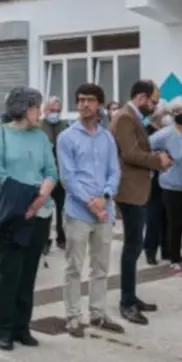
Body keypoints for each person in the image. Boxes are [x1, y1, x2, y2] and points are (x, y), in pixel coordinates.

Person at [0, 88, 58, 350]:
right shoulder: (0, 134)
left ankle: (22, 327)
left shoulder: (40, 137)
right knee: (10, 273)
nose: (40, 112)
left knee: (29, 273)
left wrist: (41, 196)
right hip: (12, 213)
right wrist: (25, 195)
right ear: (22, 108)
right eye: (35, 107)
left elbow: (51, 170)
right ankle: (3, 328)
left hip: (39, 211)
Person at [56, 83, 124, 338]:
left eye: (90, 100)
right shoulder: (67, 137)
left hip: (104, 210)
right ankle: (73, 316)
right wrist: (90, 202)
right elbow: (68, 178)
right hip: (78, 212)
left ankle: (98, 313)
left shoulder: (107, 137)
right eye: (81, 99)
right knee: (74, 267)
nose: (85, 104)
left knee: (101, 266)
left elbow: (114, 171)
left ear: (99, 105)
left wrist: (105, 197)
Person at [110, 80, 170, 325]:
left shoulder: (133, 118)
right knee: (132, 247)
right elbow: (130, 153)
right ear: (141, 97)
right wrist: (158, 160)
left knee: (135, 247)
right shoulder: (125, 118)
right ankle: (126, 302)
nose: (154, 107)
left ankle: (131, 296)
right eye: (153, 101)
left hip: (137, 189)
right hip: (129, 190)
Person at [149, 97, 182, 273]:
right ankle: (174, 258)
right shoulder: (165, 133)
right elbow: (146, 146)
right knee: (175, 224)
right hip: (171, 185)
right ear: (171, 114)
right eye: (177, 111)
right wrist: (159, 157)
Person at [143, 103, 171, 266]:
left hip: (167, 178)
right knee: (153, 216)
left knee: (167, 216)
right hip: (153, 179)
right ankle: (150, 250)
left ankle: (167, 249)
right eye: (165, 114)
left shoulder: (167, 131)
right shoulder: (147, 131)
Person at [40, 97, 68, 252]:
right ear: (45, 110)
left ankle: (62, 238)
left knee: (62, 209)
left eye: (58, 111)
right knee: (46, 210)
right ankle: (44, 240)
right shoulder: (39, 126)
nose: (55, 114)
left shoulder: (65, 126)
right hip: (45, 176)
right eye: (52, 110)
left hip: (61, 174)